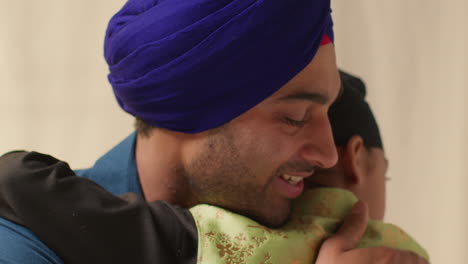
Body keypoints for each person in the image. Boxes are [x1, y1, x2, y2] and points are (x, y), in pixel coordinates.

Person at [0, 0, 428, 263]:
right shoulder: (28, 250)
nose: (328, 154)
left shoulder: (306, 237)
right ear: (191, 114)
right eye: (296, 117)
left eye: (329, 113)